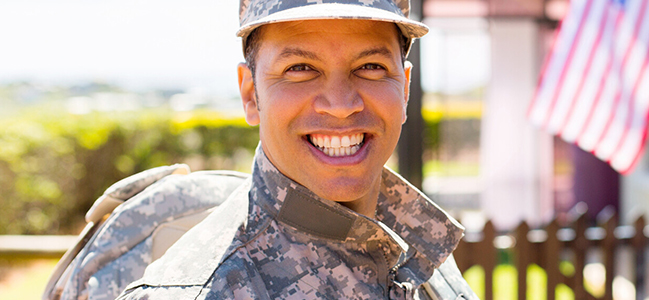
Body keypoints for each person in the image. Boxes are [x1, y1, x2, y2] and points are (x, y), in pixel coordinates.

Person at [114, 0, 476, 299]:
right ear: (251, 94)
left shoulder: (417, 248)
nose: (340, 104)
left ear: (405, 88)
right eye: (300, 68)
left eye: (371, 67)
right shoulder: (194, 292)